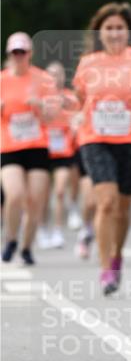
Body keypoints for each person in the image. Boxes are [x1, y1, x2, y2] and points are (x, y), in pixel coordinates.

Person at [73, 2, 131, 294]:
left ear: (128, 32)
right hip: (96, 139)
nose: (114, 33)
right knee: (107, 202)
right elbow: (77, 99)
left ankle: (116, 257)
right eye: (109, 28)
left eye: (119, 28)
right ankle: (104, 270)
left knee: (123, 209)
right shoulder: (88, 63)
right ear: (100, 32)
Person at [1, 32, 58, 264]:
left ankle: (26, 246)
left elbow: (53, 116)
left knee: (35, 200)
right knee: (14, 195)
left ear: (30, 54)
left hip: (37, 145)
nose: (18, 57)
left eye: (22, 52)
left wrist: (42, 106)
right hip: (9, 145)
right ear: (8, 54)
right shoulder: (2, 80)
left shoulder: (43, 79)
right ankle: (12, 238)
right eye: (15, 53)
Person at [43, 61, 80, 249]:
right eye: (50, 74)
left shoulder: (70, 98)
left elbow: (79, 118)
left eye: (57, 74)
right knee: (41, 195)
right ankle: (42, 229)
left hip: (64, 150)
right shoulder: (40, 97)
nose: (53, 78)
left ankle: (57, 231)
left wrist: (73, 124)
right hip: (42, 149)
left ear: (63, 78)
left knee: (59, 191)